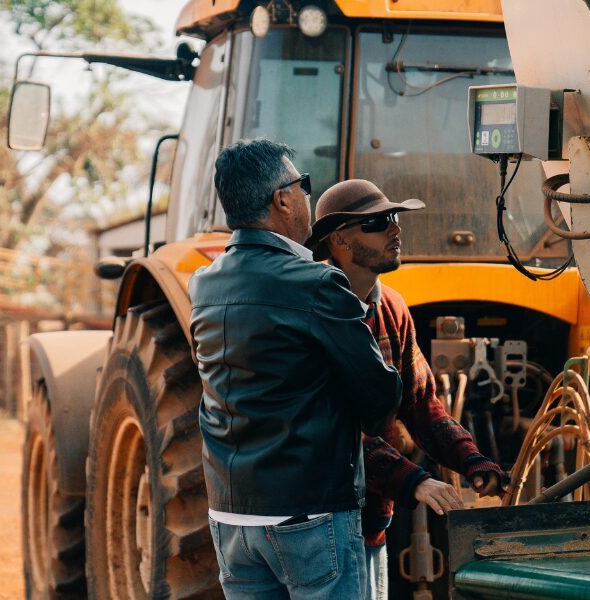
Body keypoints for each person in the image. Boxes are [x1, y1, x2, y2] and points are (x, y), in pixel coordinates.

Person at [189, 140, 404, 599]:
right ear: (282, 200)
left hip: (230, 518)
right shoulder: (318, 284)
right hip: (309, 515)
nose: (308, 195)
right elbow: (380, 397)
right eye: (302, 184)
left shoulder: (205, 283)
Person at [305, 179, 508, 600]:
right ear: (339, 239)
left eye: (395, 218)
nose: (395, 230)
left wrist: (472, 461)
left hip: (373, 521)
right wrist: (414, 480)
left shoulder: (392, 307)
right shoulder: (313, 314)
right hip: (321, 527)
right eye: (379, 222)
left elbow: (421, 404)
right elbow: (330, 431)